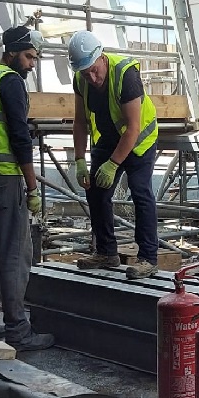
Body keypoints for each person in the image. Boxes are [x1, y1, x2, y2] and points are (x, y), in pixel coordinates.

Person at [0, 26, 54, 351]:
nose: (32, 64)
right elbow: (19, 137)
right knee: (15, 253)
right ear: (14, 51)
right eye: (29, 56)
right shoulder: (10, 81)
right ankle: (18, 329)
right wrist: (32, 187)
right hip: (4, 178)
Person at [68, 30, 159, 280]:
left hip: (138, 140)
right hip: (108, 139)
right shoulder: (81, 79)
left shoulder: (125, 74)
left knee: (140, 192)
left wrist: (113, 164)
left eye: (94, 70)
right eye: (85, 73)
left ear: (102, 57)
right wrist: (79, 160)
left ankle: (148, 258)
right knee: (96, 190)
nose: (92, 77)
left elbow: (133, 127)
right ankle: (107, 252)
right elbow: (79, 122)